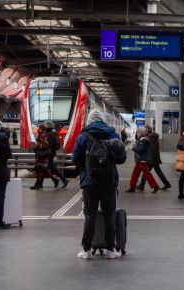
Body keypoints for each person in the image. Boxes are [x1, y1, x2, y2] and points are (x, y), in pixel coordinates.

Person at [72, 109, 126, 259]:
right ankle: (110, 250)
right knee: (109, 215)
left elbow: (75, 159)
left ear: (89, 120)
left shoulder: (83, 136)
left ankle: (87, 250)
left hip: (89, 182)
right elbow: (122, 159)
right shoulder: (113, 135)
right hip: (109, 182)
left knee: (90, 216)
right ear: (103, 120)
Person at [126, 127, 160, 193]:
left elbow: (140, 150)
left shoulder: (143, 141)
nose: (136, 133)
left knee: (147, 174)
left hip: (143, 160)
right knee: (135, 173)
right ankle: (132, 187)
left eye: (137, 132)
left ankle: (155, 186)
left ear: (140, 133)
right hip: (140, 160)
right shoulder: (144, 140)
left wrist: (133, 148)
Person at [137, 126, 172, 191]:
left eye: (145, 130)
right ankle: (166, 184)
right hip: (154, 157)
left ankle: (142, 185)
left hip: (152, 158)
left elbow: (153, 148)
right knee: (158, 172)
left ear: (148, 131)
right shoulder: (151, 137)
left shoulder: (151, 137)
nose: (144, 131)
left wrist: (149, 156)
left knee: (146, 172)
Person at [44, 121, 69, 188]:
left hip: (49, 154)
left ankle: (60, 180)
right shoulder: (53, 133)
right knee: (50, 168)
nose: (44, 126)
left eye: (45, 125)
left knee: (47, 168)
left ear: (48, 126)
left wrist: (46, 153)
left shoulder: (50, 134)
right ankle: (61, 180)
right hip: (51, 153)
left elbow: (50, 145)